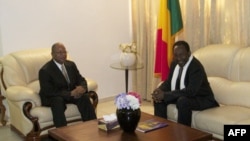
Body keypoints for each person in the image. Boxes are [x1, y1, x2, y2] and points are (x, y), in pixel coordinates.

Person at [152, 40, 219, 126]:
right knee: (159, 100)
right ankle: (161, 130)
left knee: (182, 101)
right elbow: (169, 82)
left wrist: (165, 95)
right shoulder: (174, 63)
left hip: (202, 98)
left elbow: (191, 91)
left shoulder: (195, 67)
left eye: (181, 55)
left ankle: (184, 134)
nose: (178, 58)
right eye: (176, 55)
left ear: (189, 53)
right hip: (184, 95)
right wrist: (159, 90)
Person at [39, 42, 97, 128]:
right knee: (58, 101)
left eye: (64, 52)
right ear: (52, 54)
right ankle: (62, 132)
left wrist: (82, 88)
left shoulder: (71, 65)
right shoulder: (45, 70)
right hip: (53, 96)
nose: (63, 55)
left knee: (84, 97)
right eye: (59, 53)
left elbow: (81, 79)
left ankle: (92, 126)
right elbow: (49, 91)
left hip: (70, 94)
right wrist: (70, 94)